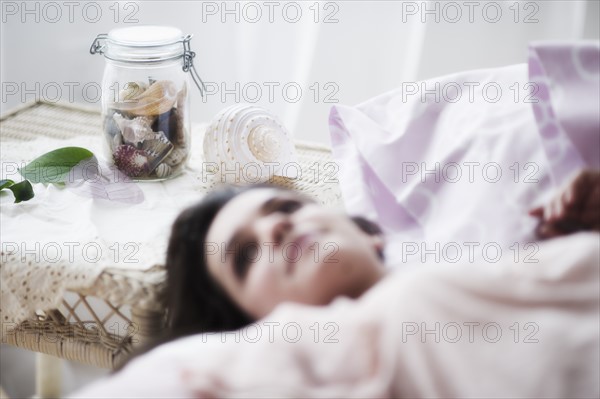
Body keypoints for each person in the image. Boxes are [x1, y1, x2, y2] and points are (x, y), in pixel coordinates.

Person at [75, 170, 600, 397]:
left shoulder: (504, 260)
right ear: (254, 322)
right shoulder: (264, 360)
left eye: (286, 208)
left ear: (369, 235)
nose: (276, 226)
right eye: (246, 255)